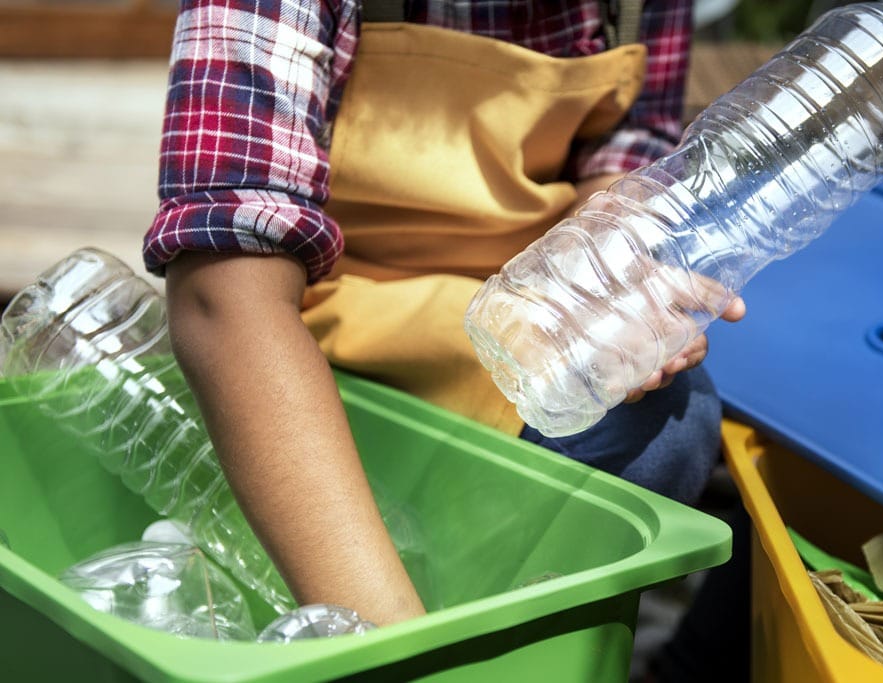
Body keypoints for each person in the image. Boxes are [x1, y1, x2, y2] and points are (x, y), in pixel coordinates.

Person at [144, 0, 746, 629]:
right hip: (320, 312)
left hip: (515, 304)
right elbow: (223, 294)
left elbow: (625, 149)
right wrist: (394, 645)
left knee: (666, 422)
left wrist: (605, 281)